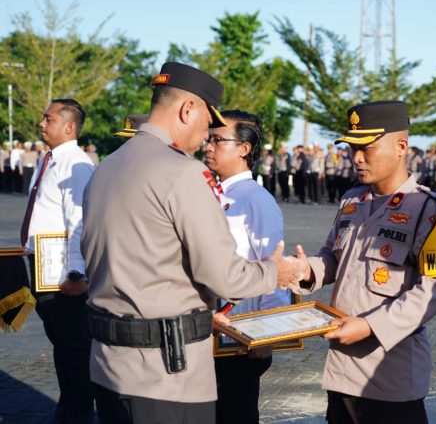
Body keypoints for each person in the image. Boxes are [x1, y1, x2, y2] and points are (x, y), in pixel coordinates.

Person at [81, 62, 300, 424]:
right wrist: (276, 273)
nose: (205, 138)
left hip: (109, 363)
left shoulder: (107, 166)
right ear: (187, 110)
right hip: (166, 373)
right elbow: (224, 277)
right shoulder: (183, 172)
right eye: (207, 125)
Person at [287, 100, 436, 424]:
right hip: (342, 372)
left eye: (367, 148)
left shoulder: (428, 209)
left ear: (401, 147)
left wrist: (370, 326)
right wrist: (305, 269)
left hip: (389, 374)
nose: (357, 158)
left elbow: (435, 290)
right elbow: (334, 257)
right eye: (353, 148)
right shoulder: (352, 200)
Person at [204, 110, 290, 424]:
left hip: (238, 337)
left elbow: (274, 268)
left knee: (236, 413)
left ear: (243, 148)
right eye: (208, 139)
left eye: (218, 140)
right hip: (208, 331)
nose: (209, 146)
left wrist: (266, 336)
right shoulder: (211, 192)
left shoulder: (256, 199)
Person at [21, 99, 96, 423]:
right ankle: (69, 408)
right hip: (43, 268)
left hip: (65, 274)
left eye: (48, 118)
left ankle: (77, 413)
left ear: (69, 126)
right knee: (62, 343)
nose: (41, 123)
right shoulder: (49, 159)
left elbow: (79, 221)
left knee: (75, 348)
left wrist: (77, 273)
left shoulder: (76, 164)